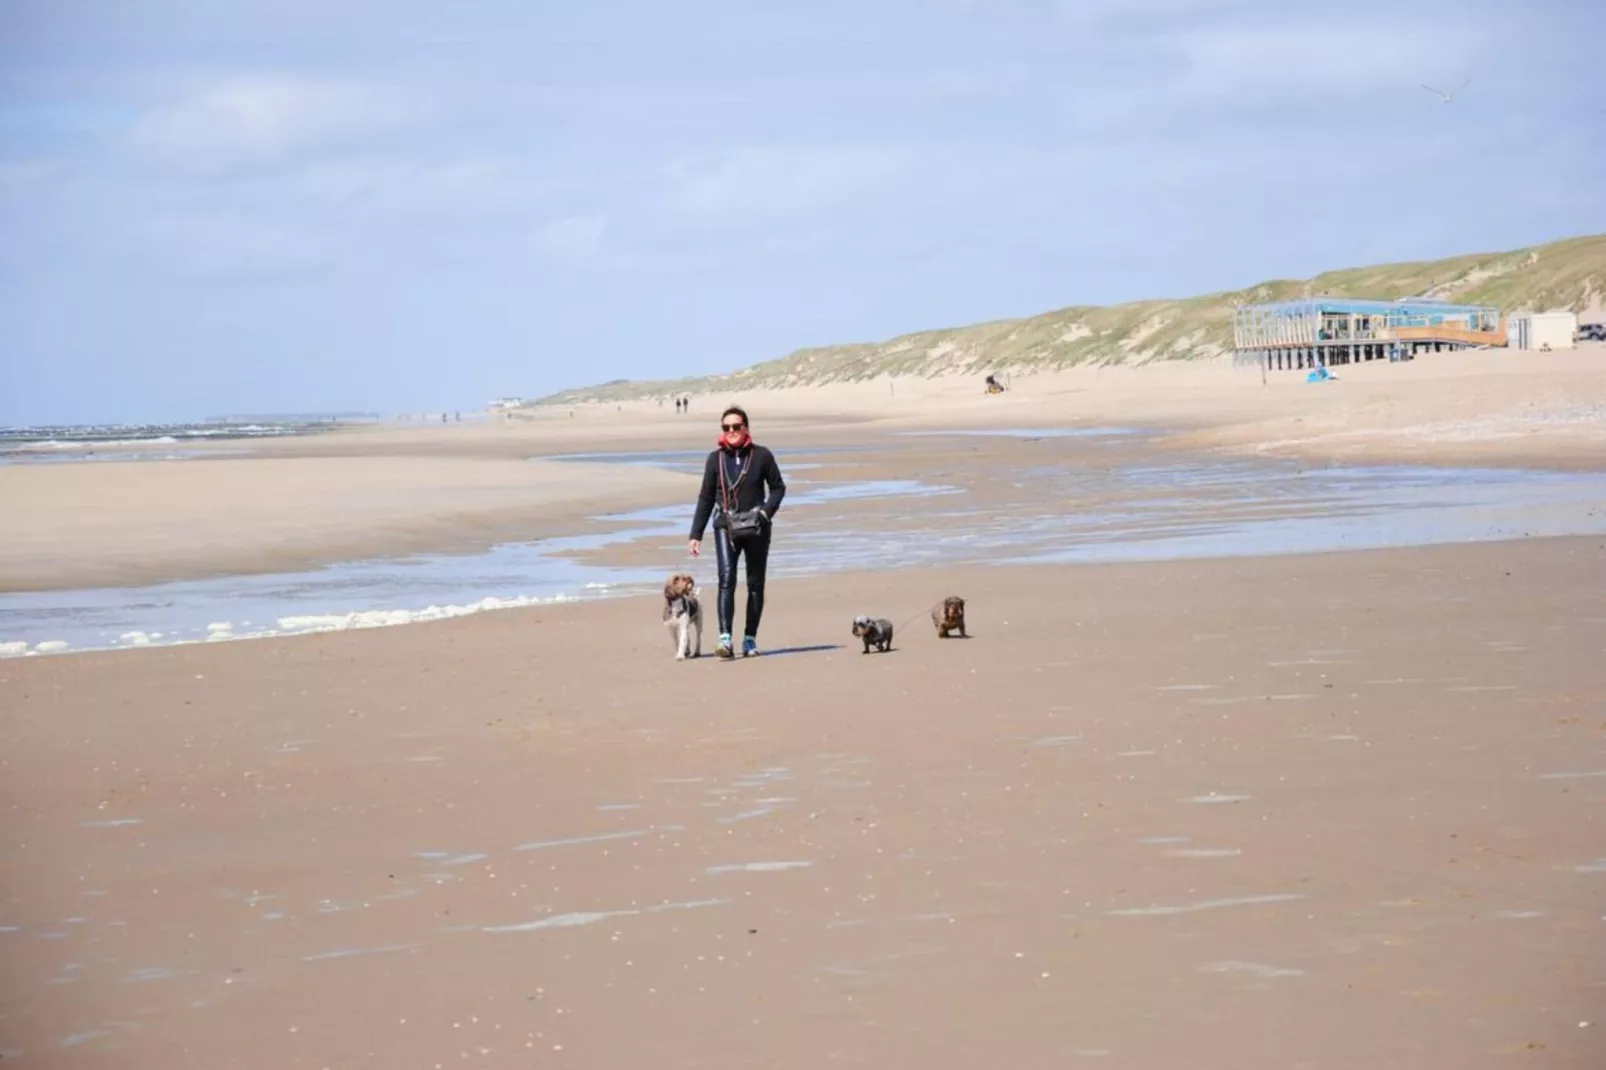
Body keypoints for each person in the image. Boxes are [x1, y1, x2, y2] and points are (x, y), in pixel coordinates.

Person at [688, 405, 786, 658]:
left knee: (755, 584)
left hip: (757, 527)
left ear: (746, 428)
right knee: (727, 579)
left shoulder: (762, 455)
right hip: (725, 526)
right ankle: (726, 640)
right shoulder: (715, 459)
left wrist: (765, 513)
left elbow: (778, 488)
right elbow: (706, 497)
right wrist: (695, 535)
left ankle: (750, 639)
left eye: (735, 427)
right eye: (725, 427)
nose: (730, 431)